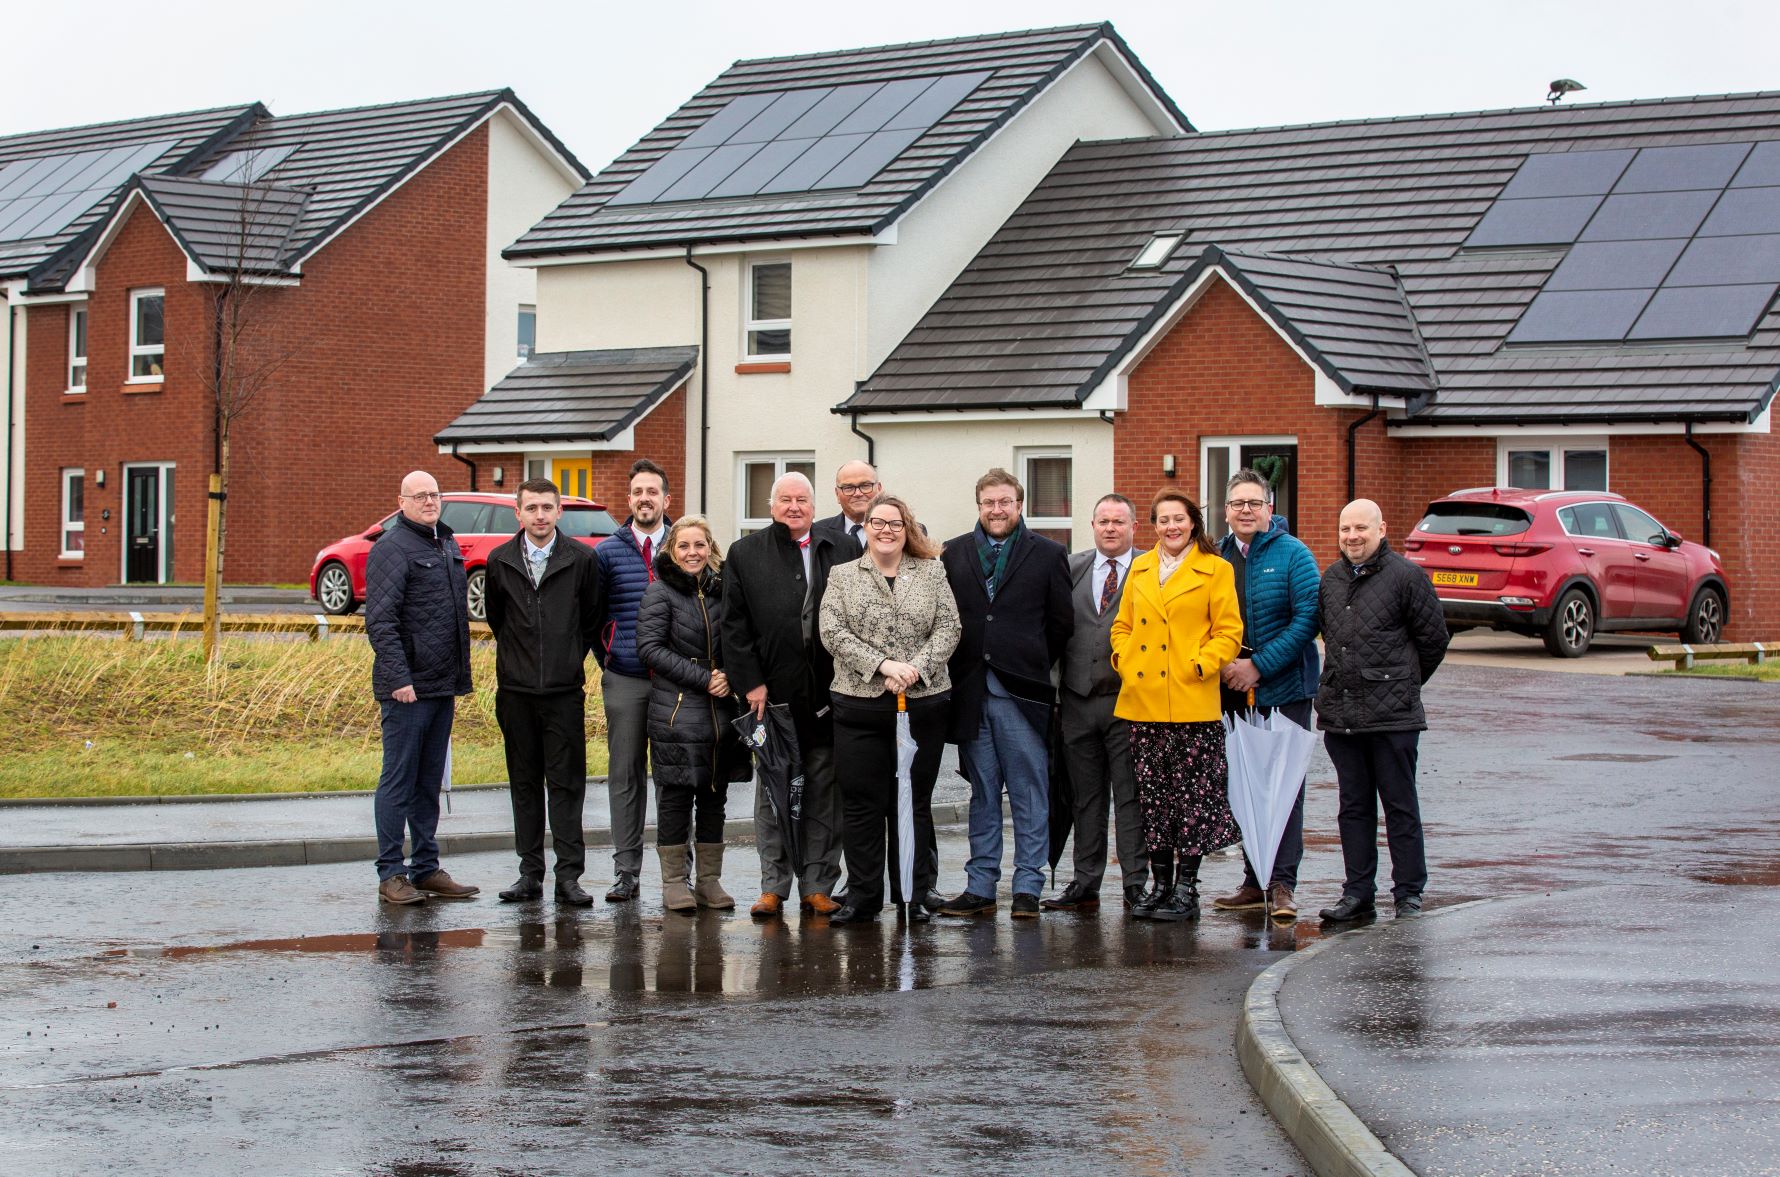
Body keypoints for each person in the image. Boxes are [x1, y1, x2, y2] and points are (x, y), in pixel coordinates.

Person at [819, 495, 961, 925]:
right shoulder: (842, 575)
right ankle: (864, 897)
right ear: (865, 528)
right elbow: (832, 631)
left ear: (906, 529)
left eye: (894, 524)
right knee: (862, 804)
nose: (885, 530)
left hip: (922, 706)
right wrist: (883, 667)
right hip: (859, 707)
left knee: (912, 803)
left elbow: (950, 626)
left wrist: (914, 669)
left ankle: (912, 895)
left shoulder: (932, 571)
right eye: (877, 522)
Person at [721, 471, 858, 918]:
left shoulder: (842, 547)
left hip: (829, 693)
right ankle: (773, 887)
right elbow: (734, 626)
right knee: (773, 792)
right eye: (785, 499)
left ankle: (818, 885)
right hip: (770, 696)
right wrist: (750, 682)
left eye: (802, 499)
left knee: (823, 791)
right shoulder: (745, 554)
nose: (794, 506)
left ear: (815, 506)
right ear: (771, 505)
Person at [938, 468, 1073, 919]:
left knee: (1030, 793)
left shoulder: (1049, 554)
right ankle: (980, 886)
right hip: (971, 691)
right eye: (989, 502)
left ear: (1019, 505)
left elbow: (1060, 625)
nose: (997, 510)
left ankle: (1028, 888)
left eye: (1005, 502)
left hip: (1023, 694)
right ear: (979, 505)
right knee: (982, 793)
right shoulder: (953, 553)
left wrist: (1026, 660)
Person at [1110, 489, 1244, 922]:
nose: (1171, 526)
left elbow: (1229, 631)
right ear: (1154, 526)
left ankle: (1187, 888)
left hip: (1191, 701)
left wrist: (1201, 665)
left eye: (1179, 519)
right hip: (1143, 701)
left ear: (1193, 523)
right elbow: (1122, 625)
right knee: (1153, 798)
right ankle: (1161, 883)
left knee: (1192, 799)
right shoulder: (1141, 566)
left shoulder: (1215, 570)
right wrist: (1125, 661)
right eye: (1163, 520)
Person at [1316, 499, 1451, 923]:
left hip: (1393, 717)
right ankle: (1358, 893)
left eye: (1360, 528)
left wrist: (1400, 684)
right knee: (1353, 807)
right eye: (1345, 529)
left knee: (1400, 805)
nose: (1352, 536)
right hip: (1343, 716)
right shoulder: (1332, 579)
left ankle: (1408, 893)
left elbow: (1433, 641)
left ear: (1381, 529)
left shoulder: (1407, 577)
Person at [482, 478, 603, 907]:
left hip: (563, 693)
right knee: (525, 784)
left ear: (558, 512)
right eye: (531, 507)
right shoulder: (500, 561)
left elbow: (590, 620)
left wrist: (567, 659)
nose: (539, 515)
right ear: (518, 513)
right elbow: (498, 619)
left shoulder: (582, 560)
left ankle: (568, 876)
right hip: (515, 693)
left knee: (567, 786)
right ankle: (529, 873)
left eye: (546, 507)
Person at [1210, 471, 1321, 923]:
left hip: (1285, 688)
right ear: (1226, 510)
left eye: (1254, 503)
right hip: (1232, 690)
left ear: (1269, 509)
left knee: (1284, 786)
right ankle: (1254, 879)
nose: (1246, 511)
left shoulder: (1294, 554)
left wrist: (1260, 665)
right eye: (1238, 503)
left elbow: (1307, 618)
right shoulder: (1215, 556)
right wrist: (1227, 668)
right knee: (1245, 784)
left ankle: (1283, 884)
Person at [365, 470, 480, 905]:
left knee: (429, 781)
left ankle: (427, 867)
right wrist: (399, 679)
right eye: (420, 496)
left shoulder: (445, 542)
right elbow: (381, 620)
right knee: (399, 779)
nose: (429, 501)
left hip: (440, 685)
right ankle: (392, 873)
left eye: (434, 494)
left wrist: (456, 680)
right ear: (402, 501)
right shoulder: (392, 548)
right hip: (406, 690)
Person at [635, 516, 751, 913]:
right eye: (684, 546)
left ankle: (708, 881)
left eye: (699, 545)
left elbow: (742, 638)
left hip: (721, 711)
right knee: (676, 797)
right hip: (677, 710)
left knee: (714, 798)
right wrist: (704, 679)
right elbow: (650, 649)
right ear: (672, 550)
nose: (692, 553)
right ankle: (673, 882)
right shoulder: (659, 592)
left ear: (710, 549)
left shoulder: (725, 591)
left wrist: (730, 678)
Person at [1045, 493, 1148, 913]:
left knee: (1130, 798)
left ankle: (1136, 884)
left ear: (1133, 528)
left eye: (1118, 522)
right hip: (1076, 702)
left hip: (1128, 703)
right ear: (1093, 525)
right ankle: (1085, 882)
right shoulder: (1072, 568)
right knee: (1085, 798)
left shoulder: (1149, 569)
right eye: (1103, 521)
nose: (1110, 528)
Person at [591, 459, 672, 902]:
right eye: (638, 492)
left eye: (652, 491)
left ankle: (677, 875)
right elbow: (593, 615)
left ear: (665, 499)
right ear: (629, 500)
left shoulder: (685, 545)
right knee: (625, 776)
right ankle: (627, 872)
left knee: (675, 778)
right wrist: (608, 656)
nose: (645, 498)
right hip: (625, 679)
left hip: (676, 683)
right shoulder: (607, 552)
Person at [813, 459, 880, 548]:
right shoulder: (817, 533)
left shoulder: (897, 531)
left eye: (865, 486)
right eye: (848, 487)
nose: (858, 493)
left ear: (879, 489)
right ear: (837, 494)